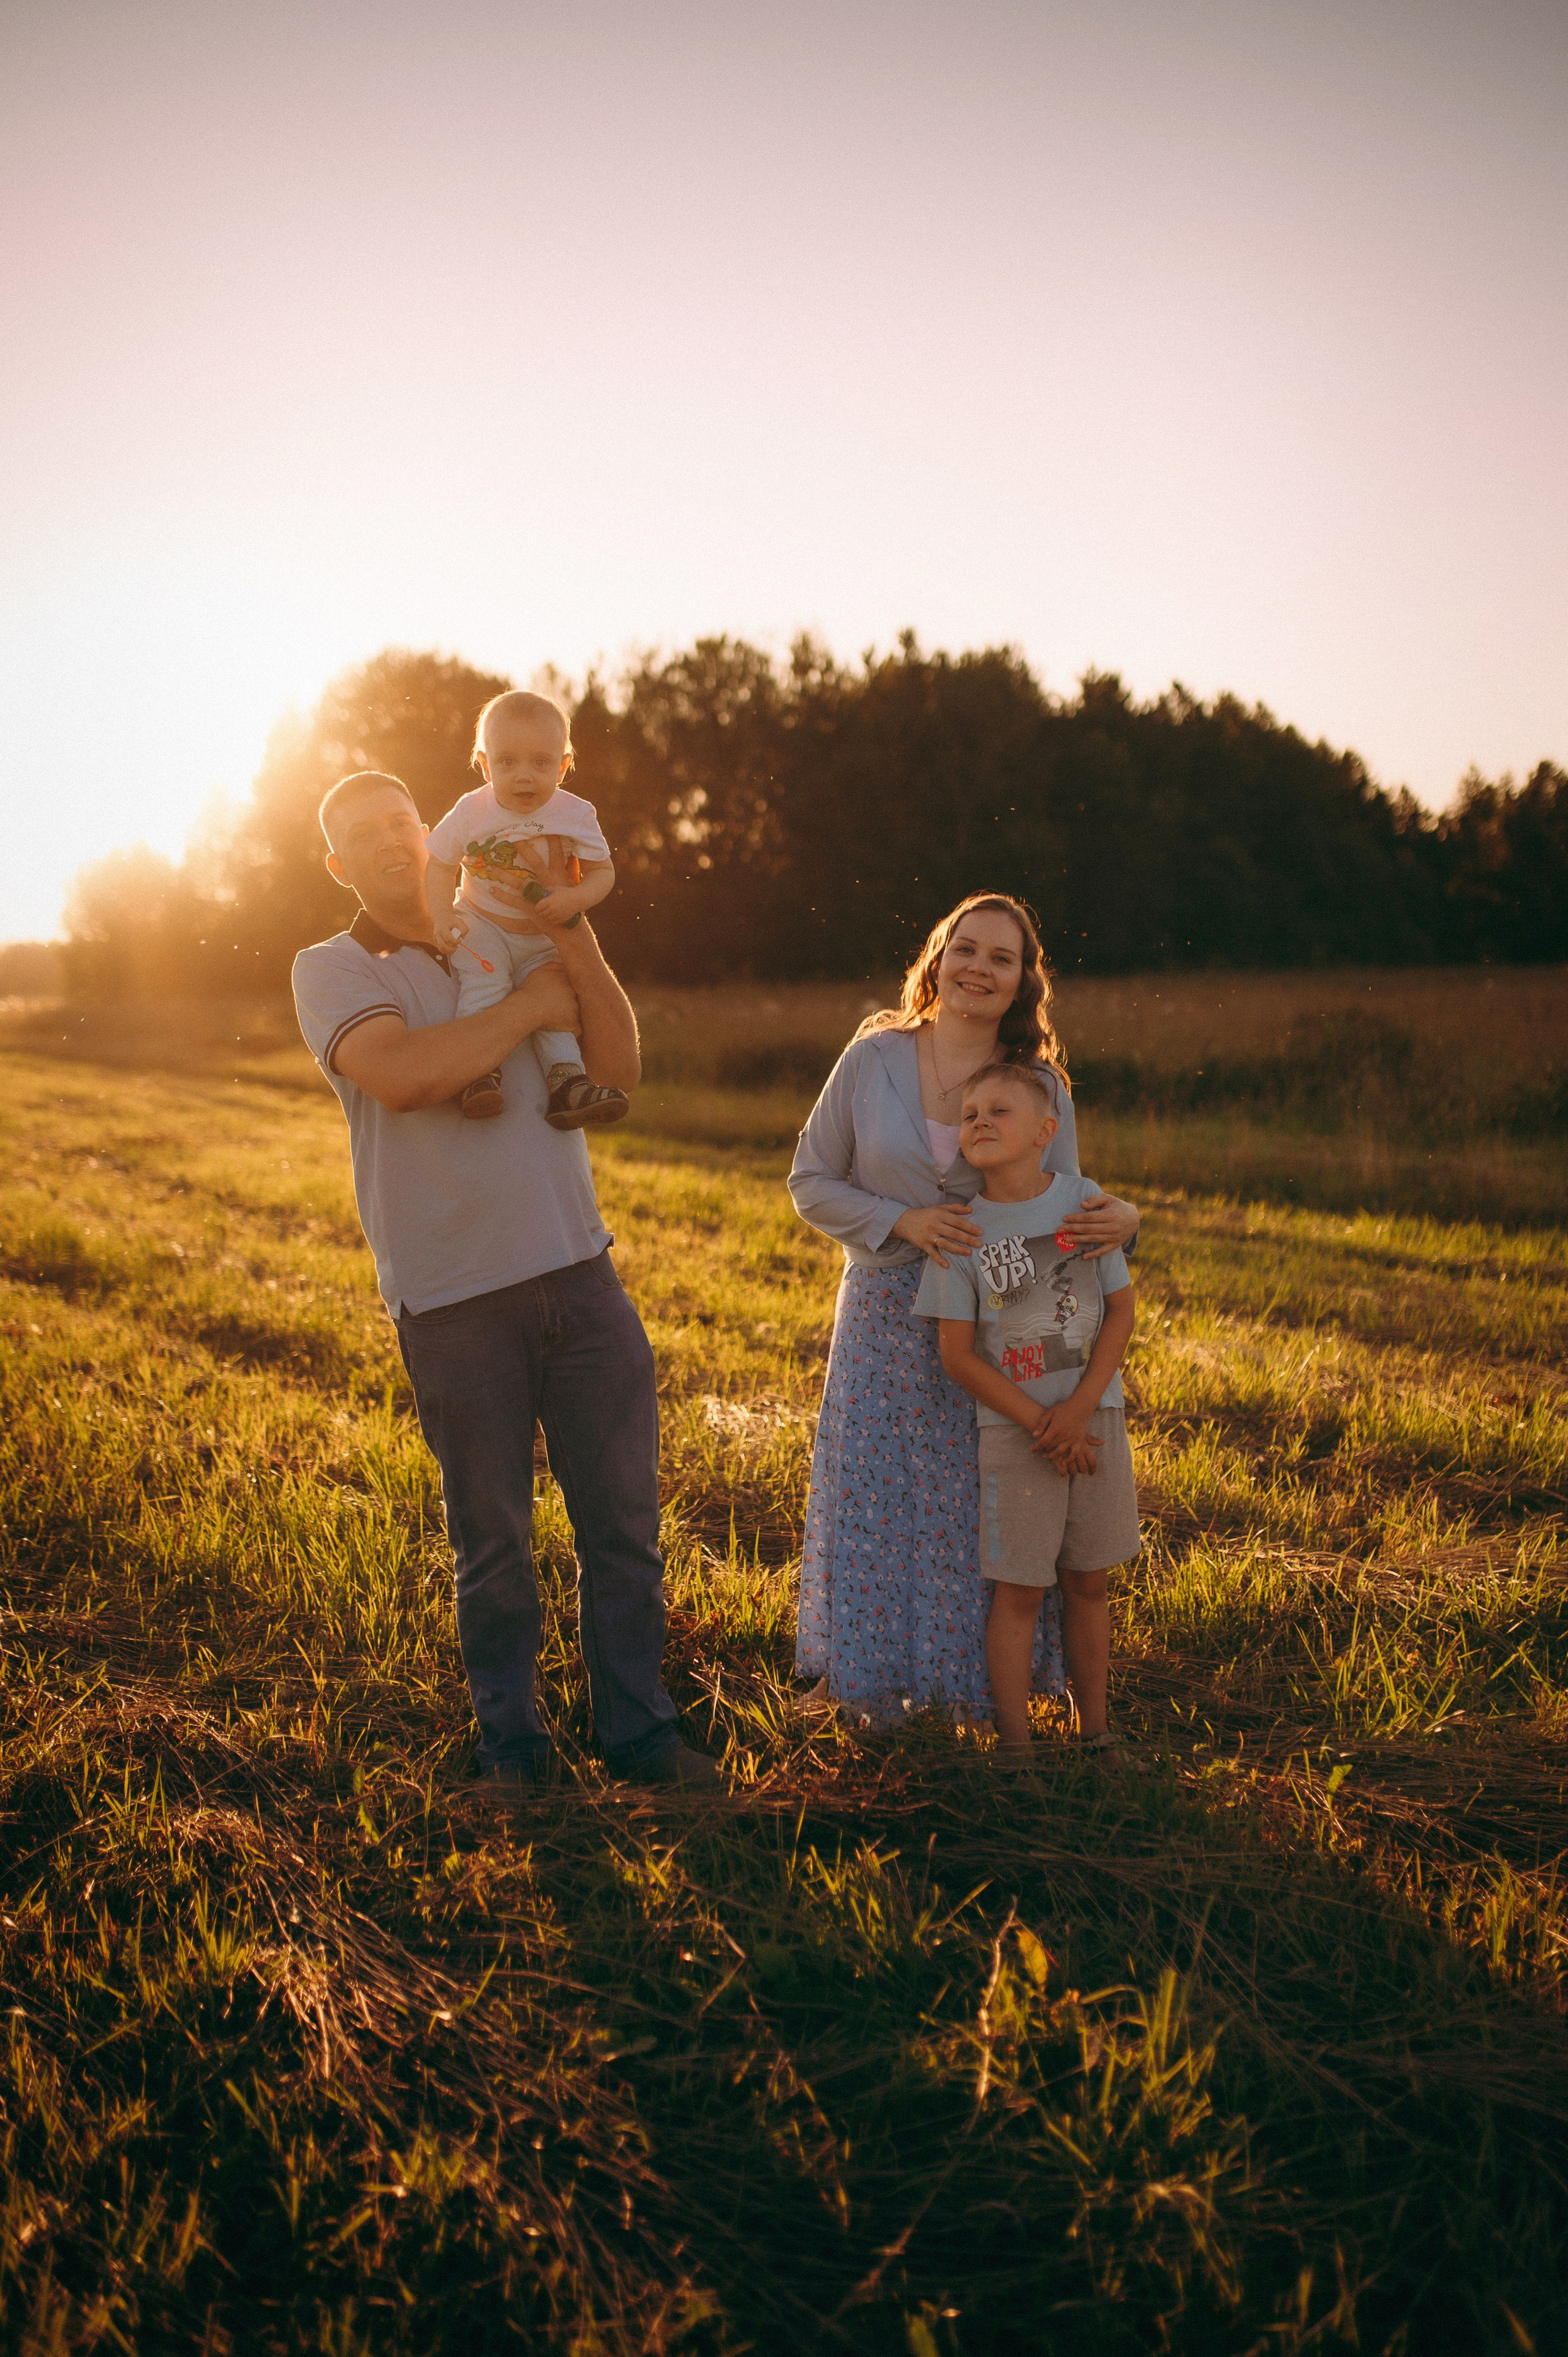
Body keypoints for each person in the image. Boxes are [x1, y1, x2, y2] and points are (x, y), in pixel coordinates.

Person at [290, 767, 719, 1800]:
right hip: (452, 1295)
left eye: (403, 819)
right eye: (364, 834)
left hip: (580, 1272)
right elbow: (406, 1074)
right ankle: (515, 1749)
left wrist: (561, 923)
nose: (392, 841)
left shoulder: (515, 929)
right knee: (494, 1540)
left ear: (433, 830)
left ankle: (641, 1733)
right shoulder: (332, 966)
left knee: (622, 1526)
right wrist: (529, 1004)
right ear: (339, 863)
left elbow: (615, 1067)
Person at [788, 892, 1140, 1727]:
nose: (980, 968)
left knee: (983, 1508)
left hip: (1011, 1316)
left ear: (1024, 984)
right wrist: (900, 1221)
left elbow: (1067, 1211)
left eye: (1002, 958)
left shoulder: (1041, 1084)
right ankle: (878, 1692)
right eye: (966, 949)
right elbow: (809, 1181)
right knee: (879, 1499)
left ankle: (976, 1698)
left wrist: (1130, 1218)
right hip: (882, 1305)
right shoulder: (872, 1059)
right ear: (936, 959)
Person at [915, 1062, 1139, 1762]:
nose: (978, 1120)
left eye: (998, 1111)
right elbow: (957, 1354)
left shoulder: (1083, 1204)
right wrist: (1046, 1425)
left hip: (1096, 1424)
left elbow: (1121, 1309)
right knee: (1017, 1591)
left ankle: (1095, 1731)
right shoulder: (960, 1230)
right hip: (1015, 1438)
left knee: (1089, 1581)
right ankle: (1016, 1750)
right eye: (969, 1111)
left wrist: (1077, 1409)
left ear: (1047, 1131)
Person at [424, 689, 627, 1130]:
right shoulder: (469, 811)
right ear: (483, 764)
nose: (524, 777)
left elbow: (603, 872)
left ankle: (568, 1083)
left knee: (555, 999)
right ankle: (476, 1074)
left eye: (540, 763)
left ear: (564, 764)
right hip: (483, 923)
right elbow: (438, 865)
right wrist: (443, 915)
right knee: (485, 979)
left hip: (543, 935)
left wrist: (575, 899)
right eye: (507, 763)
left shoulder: (575, 814)